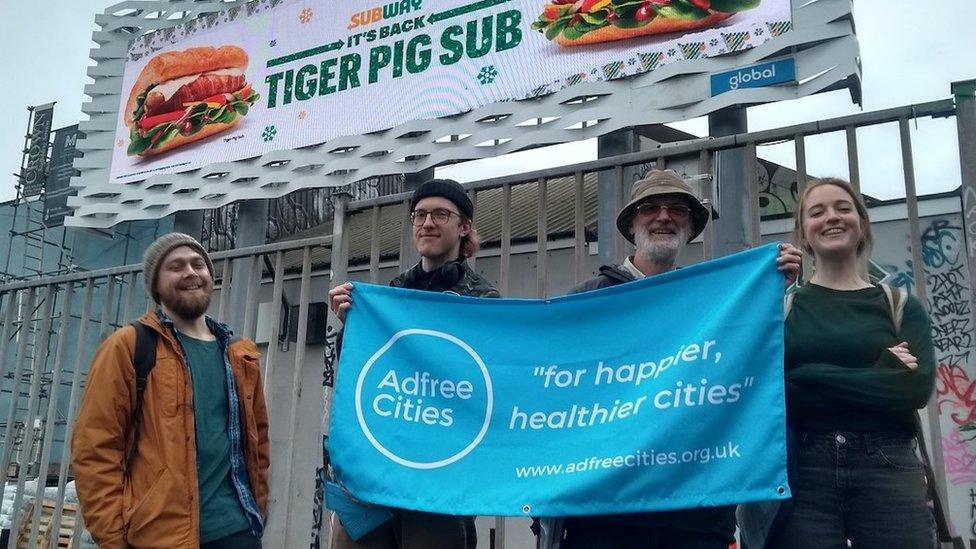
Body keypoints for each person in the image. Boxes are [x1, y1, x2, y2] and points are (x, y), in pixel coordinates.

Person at [553, 169, 802, 549]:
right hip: (605, 515)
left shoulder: (717, 302)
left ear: (690, 226)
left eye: (677, 210)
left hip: (695, 516)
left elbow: (752, 368)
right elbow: (553, 389)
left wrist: (767, 292)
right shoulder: (587, 300)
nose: (664, 217)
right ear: (632, 224)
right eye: (650, 208)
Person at [761, 177, 937, 548]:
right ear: (804, 235)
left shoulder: (901, 307)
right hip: (804, 472)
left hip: (889, 467)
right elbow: (774, 397)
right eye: (817, 212)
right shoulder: (784, 308)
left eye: (843, 208)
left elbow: (915, 388)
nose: (831, 218)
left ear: (861, 225)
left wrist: (805, 375)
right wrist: (878, 373)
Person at [327, 178, 499, 549]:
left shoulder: (483, 299)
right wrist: (352, 329)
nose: (428, 223)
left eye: (441, 214)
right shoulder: (391, 293)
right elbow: (365, 377)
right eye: (420, 215)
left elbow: (485, 383)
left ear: (464, 227)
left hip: (439, 477)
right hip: (378, 470)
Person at [72, 233, 269, 549]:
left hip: (239, 531)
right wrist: (112, 538)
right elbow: (96, 448)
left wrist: (257, 510)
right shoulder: (129, 346)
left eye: (198, 264)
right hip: (159, 537)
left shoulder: (239, 353)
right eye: (176, 266)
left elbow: (258, 441)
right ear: (155, 285)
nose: (191, 272)